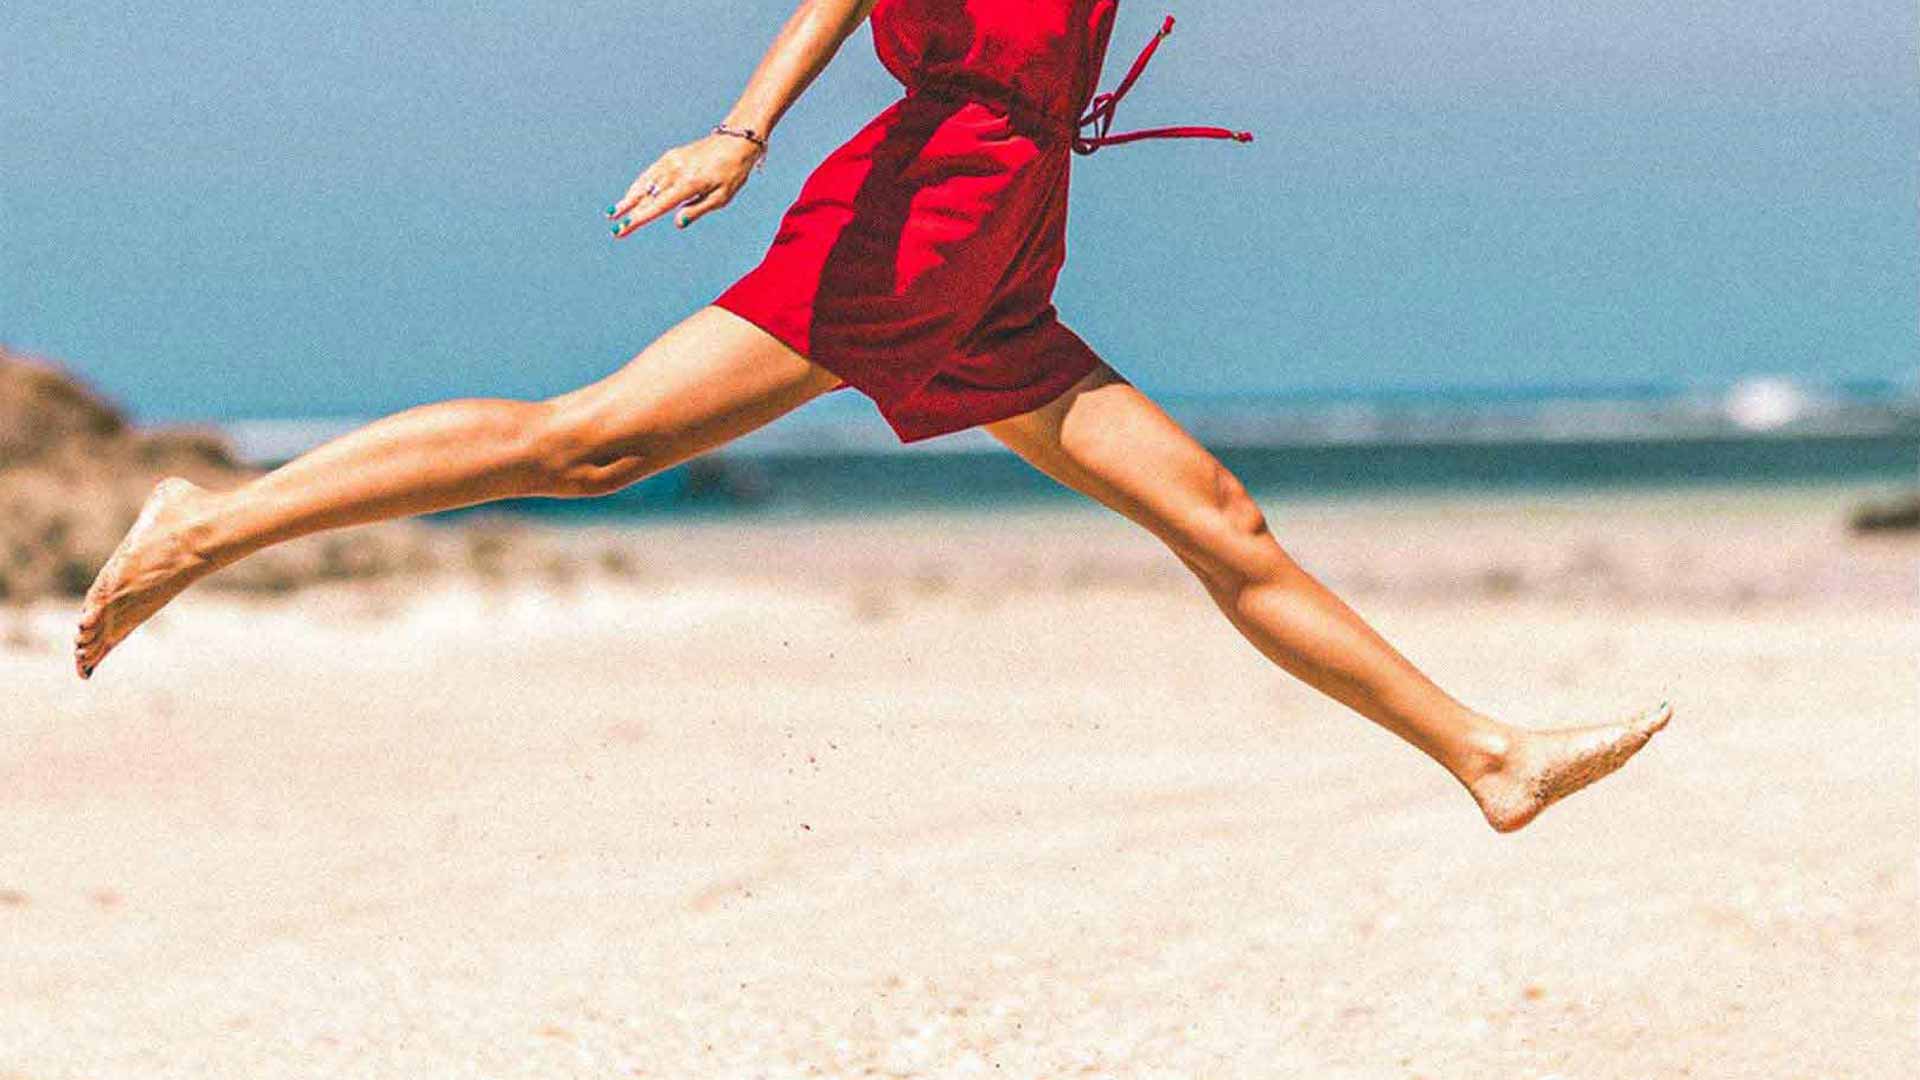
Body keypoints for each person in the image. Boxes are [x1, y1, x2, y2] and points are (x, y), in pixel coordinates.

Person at [74, 0, 1669, 832]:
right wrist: (741, 130)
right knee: (596, 441)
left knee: (1218, 516)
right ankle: (211, 520)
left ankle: (1486, 757)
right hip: (924, 199)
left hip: (1009, 223)